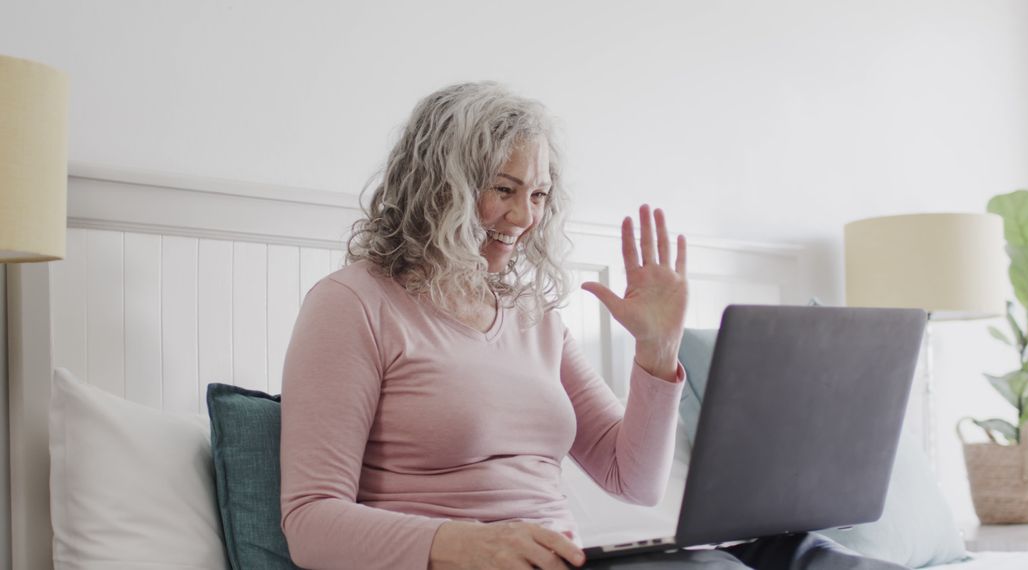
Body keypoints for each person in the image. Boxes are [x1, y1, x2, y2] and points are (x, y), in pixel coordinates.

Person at [279, 82, 906, 570]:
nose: (523, 216)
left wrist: (656, 354)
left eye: (539, 194)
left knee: (809, 557)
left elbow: (631, 480)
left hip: (564, 559)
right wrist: (464, 544)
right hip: (460, 565)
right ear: (439, 185)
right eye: (504, 188)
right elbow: (310, 521)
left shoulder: (532, 317)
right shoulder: (351, 305)